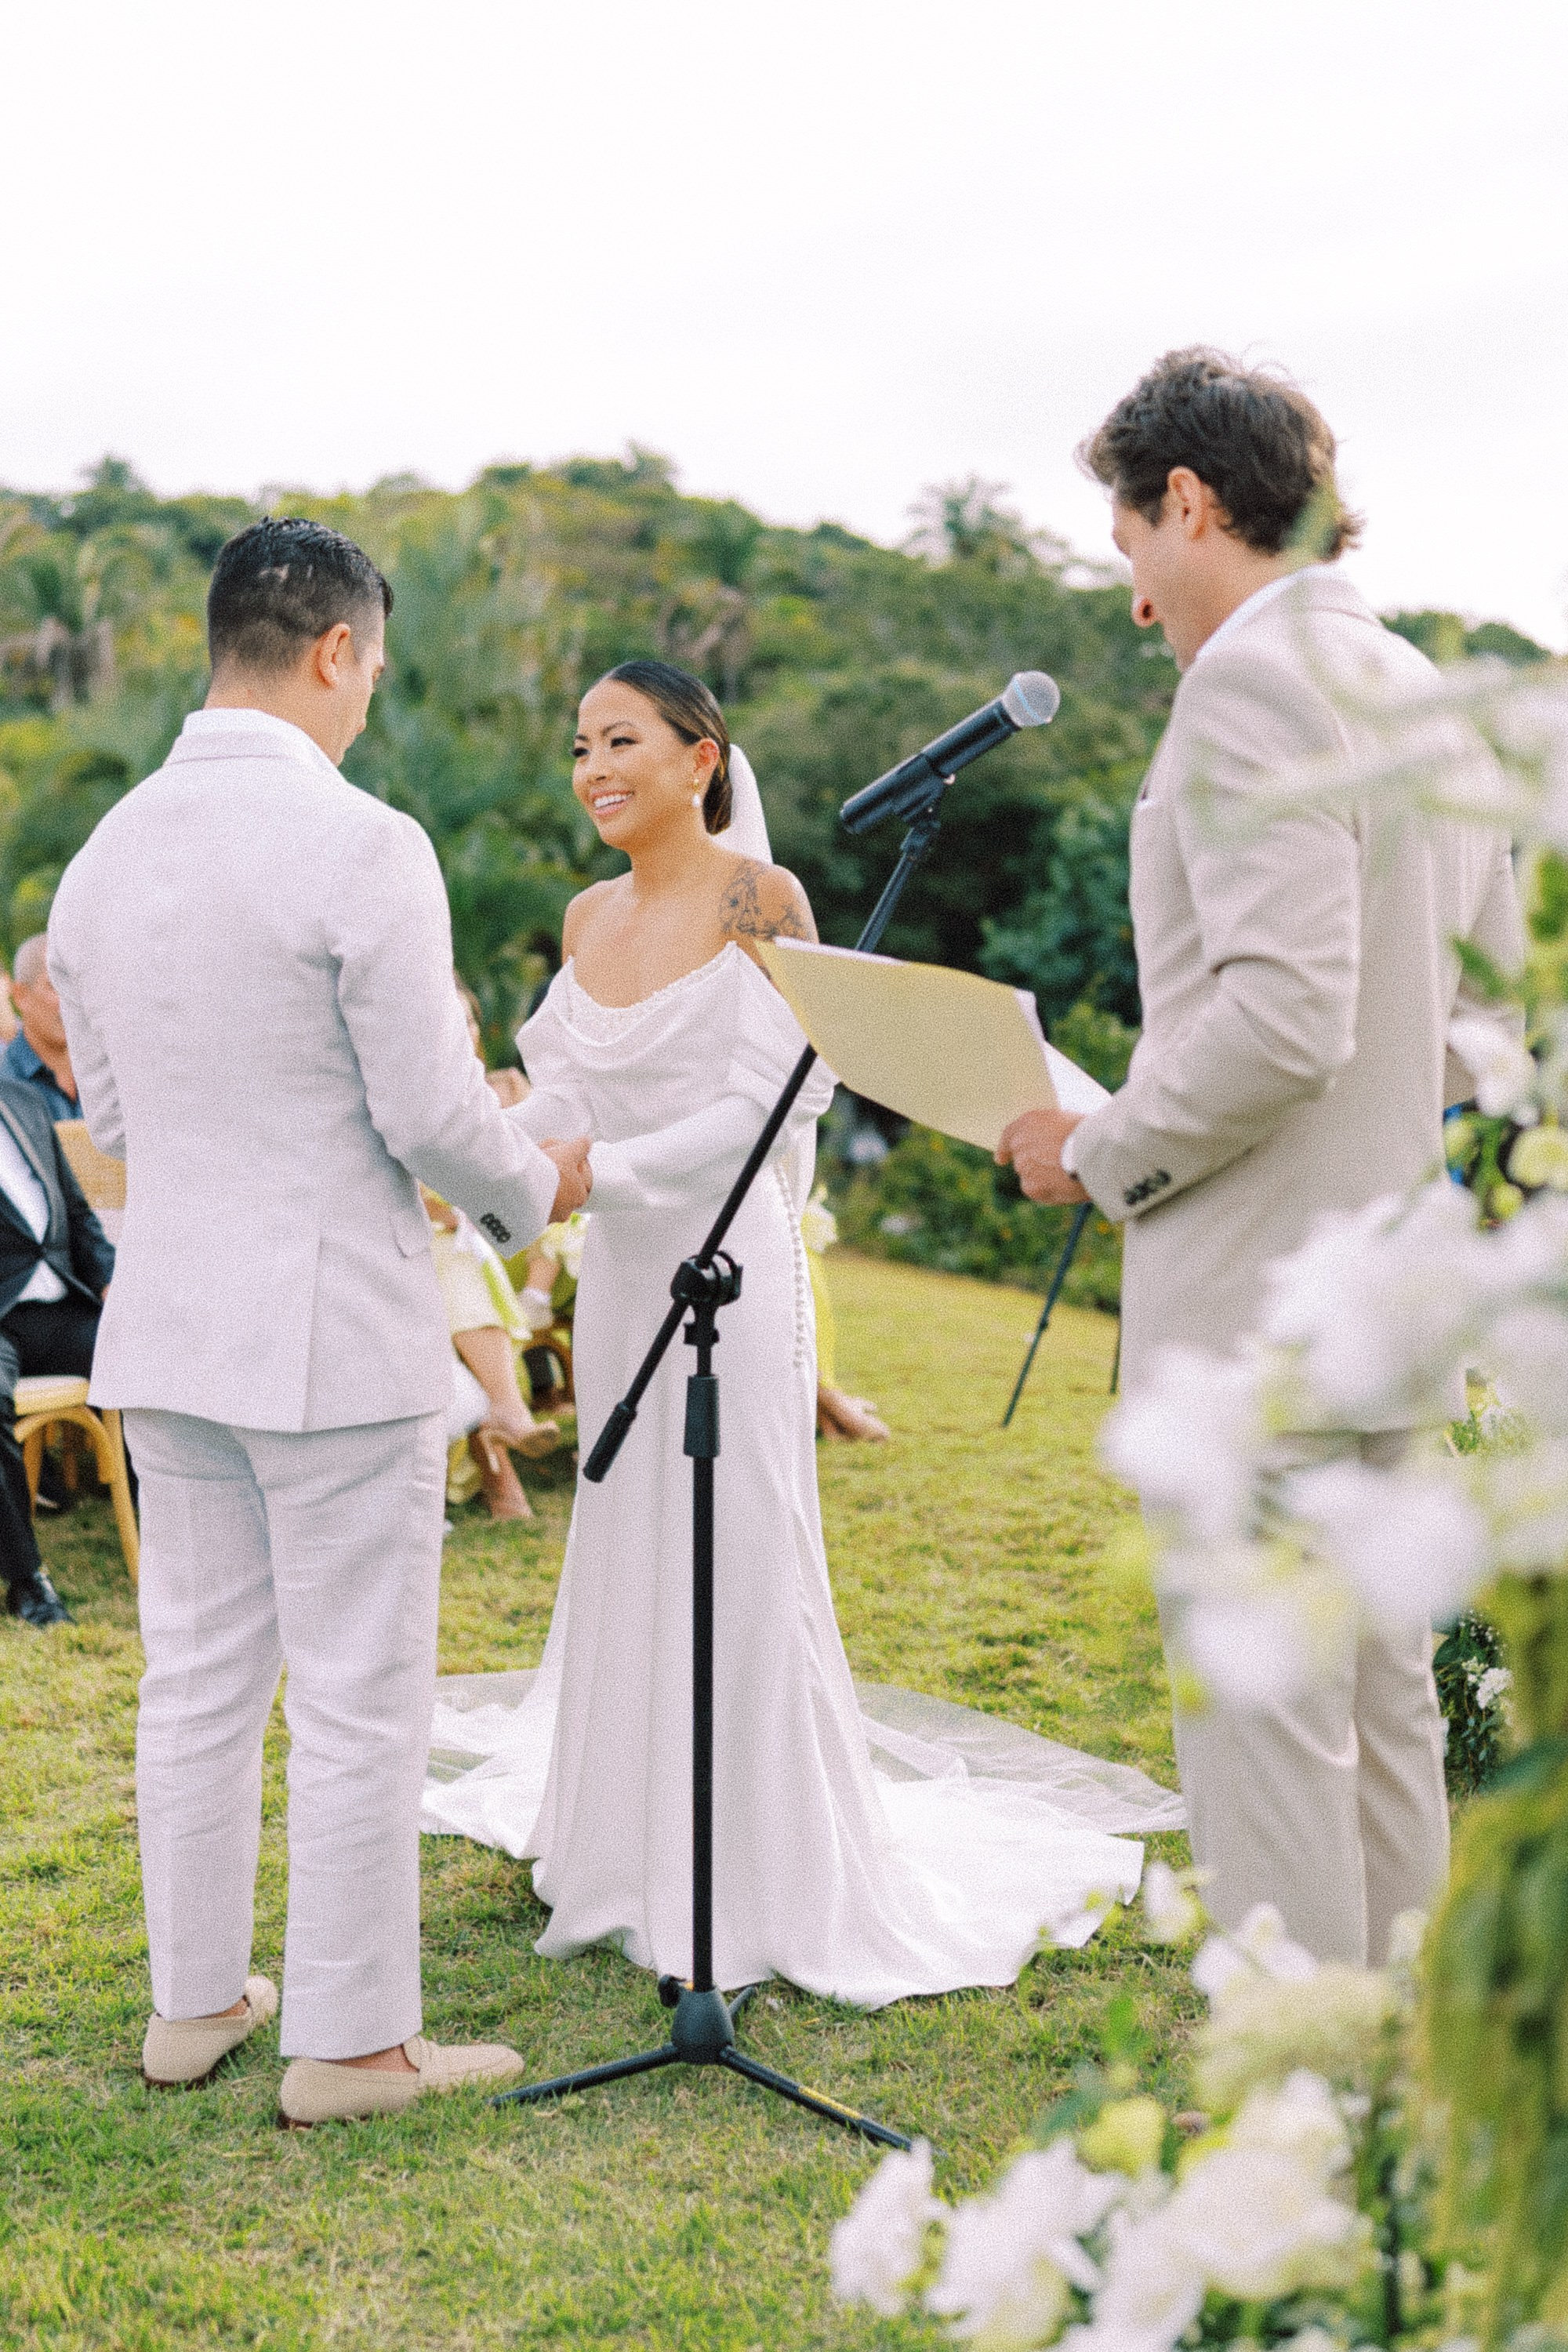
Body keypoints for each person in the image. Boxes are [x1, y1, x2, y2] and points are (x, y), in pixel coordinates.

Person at [421, 659, 1174, 2005]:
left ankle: (756, 1865)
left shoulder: (763, 902)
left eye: (625, 741)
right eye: (581, 746)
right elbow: (561, 1099)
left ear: (702, 758)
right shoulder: (586, 915)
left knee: (741, 1541)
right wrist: (480, 1155)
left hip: (732, 1268)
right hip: (628, 1286)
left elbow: (772, 1104)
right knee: (630, 1534)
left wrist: (603, 1172)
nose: (595, 768)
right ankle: (625, 1846)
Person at [47, 517, 593, 2126]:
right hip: (329, 1327)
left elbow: (122, 1119)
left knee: (196, 1676)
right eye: (375, 672)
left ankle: (194, 2006)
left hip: (168, 1323)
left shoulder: (101, 858)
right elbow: (431, 1110)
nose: (368, 702)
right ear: (338, 650)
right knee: (361, 1688)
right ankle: (352, 2047)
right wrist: (529, 1187)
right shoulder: (365, 842)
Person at [997, 349, 1525, 1966]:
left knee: (1270, 1740)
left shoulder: (1248, 685)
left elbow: (1287, 1018)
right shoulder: (1420, 694)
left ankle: (1290, 2102)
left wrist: (1104, 1144)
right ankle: (1393, 2116)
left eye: (1132, 550)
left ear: (1187, 499)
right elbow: (1475, 1029)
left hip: (1260, 1319)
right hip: (1392, 1300)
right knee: (1375, 1726)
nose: (1139, 601)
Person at [0, 1074, 116, 1626]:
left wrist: (113, 1287)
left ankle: (188, 1538)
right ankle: (27, 1581)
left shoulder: (21, 1097)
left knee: (165, 1356)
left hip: (63, 1306)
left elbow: (76, 1209)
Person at [5, 933, 82, 1119]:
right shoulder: (5, 1086)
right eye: (55, 986)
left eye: (76, 985)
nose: (70, 1001)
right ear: (20, 996)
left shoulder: (106, 1073)